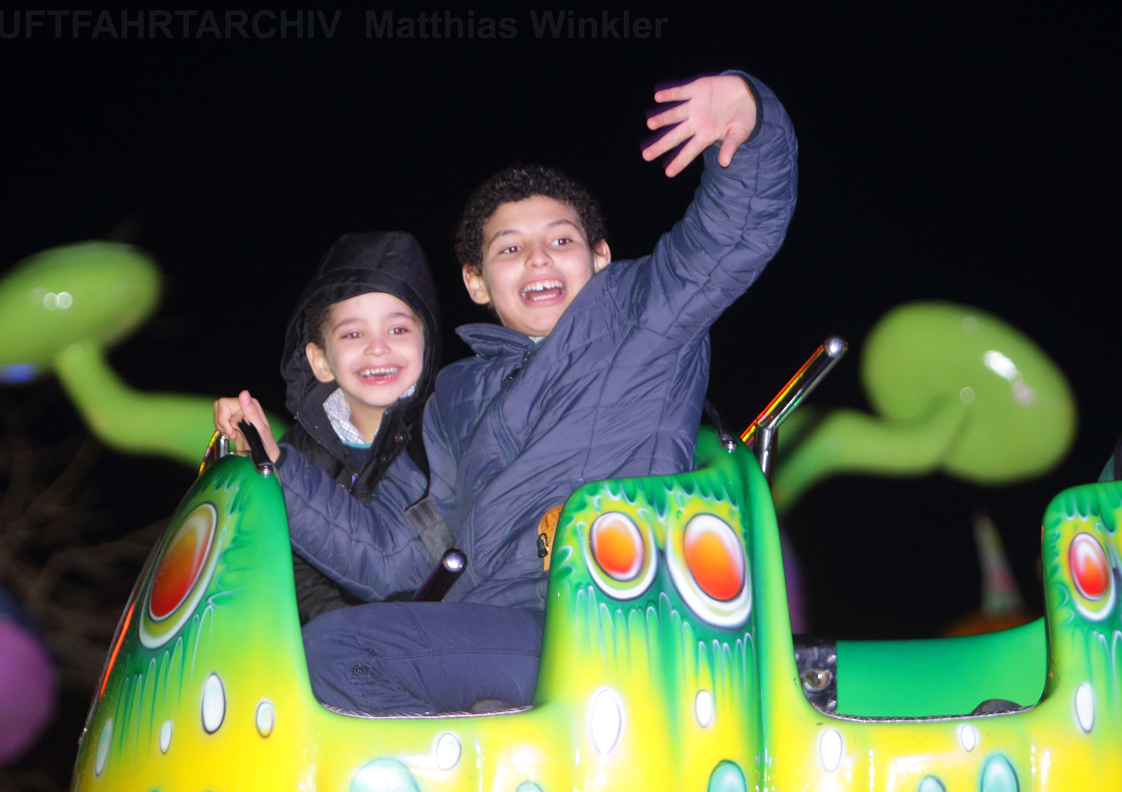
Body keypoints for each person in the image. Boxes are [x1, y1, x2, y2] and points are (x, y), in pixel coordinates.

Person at [238, 69, 798, 714]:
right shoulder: (452, 397)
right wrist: (276, 470)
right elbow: (394, 557)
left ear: (601, 258)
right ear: (477, 283)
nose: (538, 258)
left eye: (561, 240)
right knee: (319, 654)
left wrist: (750, 122)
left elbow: (734, 234)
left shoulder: (644, 313)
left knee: (337, 654)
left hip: (608, 613)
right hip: (494, 628)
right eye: (510, 249)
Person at [214, 231, 446, 620]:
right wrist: (244, 455)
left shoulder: (448, 436)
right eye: (353, 333)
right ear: (320, 361)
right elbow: (278, 569)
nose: (378, 347)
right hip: (327, 655)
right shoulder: (295, 455)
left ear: (427, 343)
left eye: (399, 329)